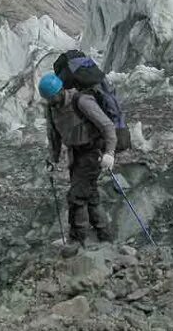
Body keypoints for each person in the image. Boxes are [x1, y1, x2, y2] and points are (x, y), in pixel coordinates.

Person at [38, 72, 116, 249]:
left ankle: (77, 239)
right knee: (90, 194)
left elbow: (107, 126)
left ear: (60, 91)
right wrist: (53, 160)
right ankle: (105, 235)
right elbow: (54, 136)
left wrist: (109, 153)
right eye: (47, 99)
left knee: (76, 196)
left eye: (51, 98)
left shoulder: (81, 101)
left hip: (92, 152)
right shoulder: (52, 109)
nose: (50, 102)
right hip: (76, 154)